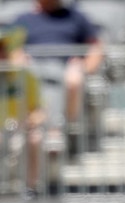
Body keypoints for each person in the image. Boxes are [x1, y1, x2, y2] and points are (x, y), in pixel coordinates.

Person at [13, 0, 104, 153]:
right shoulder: (23, 20)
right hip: (33, 69)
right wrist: (19, 58)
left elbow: (96, 47)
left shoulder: (76, 18)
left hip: (65, 68)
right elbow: (11, 49)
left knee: (72, 78)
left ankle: (58, 129)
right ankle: (39, 128)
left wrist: (84, 66)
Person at [0, 25, 46, 199]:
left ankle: (30, 189)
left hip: (19, 131)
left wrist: (30, 122)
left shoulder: (25, 76)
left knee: (35, 138)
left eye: (3, 49)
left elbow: (40, 110)